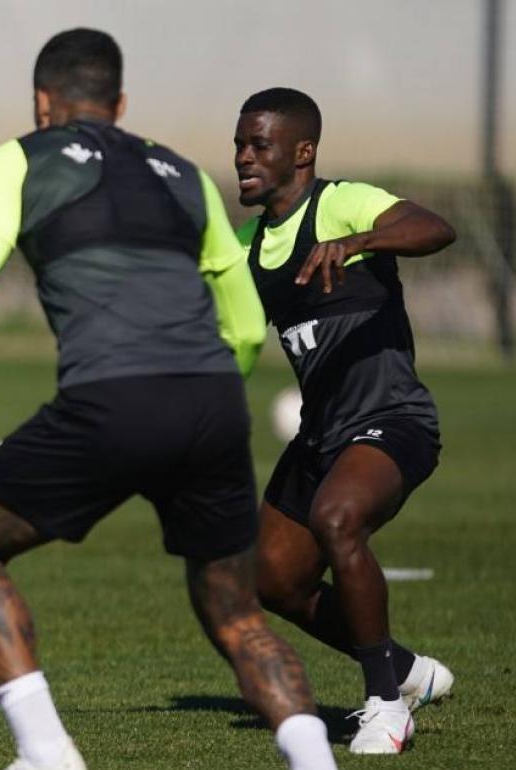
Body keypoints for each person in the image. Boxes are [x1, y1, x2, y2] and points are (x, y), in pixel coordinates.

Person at [0, 29, 337, 770]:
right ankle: (315, 760)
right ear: (119, 105)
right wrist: (201, 399)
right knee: (236, 612)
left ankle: (46, 750)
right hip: (212, 401)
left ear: (41, 103)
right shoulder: (181, 173)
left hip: (112, 399)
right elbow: (245, 321)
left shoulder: (14, 161)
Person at [234, 87, 457, 755]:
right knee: (273, 578)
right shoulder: (247, 246)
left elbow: (435, 228)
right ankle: (408, 670)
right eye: (239, 145)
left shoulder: (343, 202)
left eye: (258, 145)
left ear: (301, 153)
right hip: (320, 436)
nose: (243, 157)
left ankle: (386, 707)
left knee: (337, 519)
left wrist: (359, 241)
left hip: (394, 420)